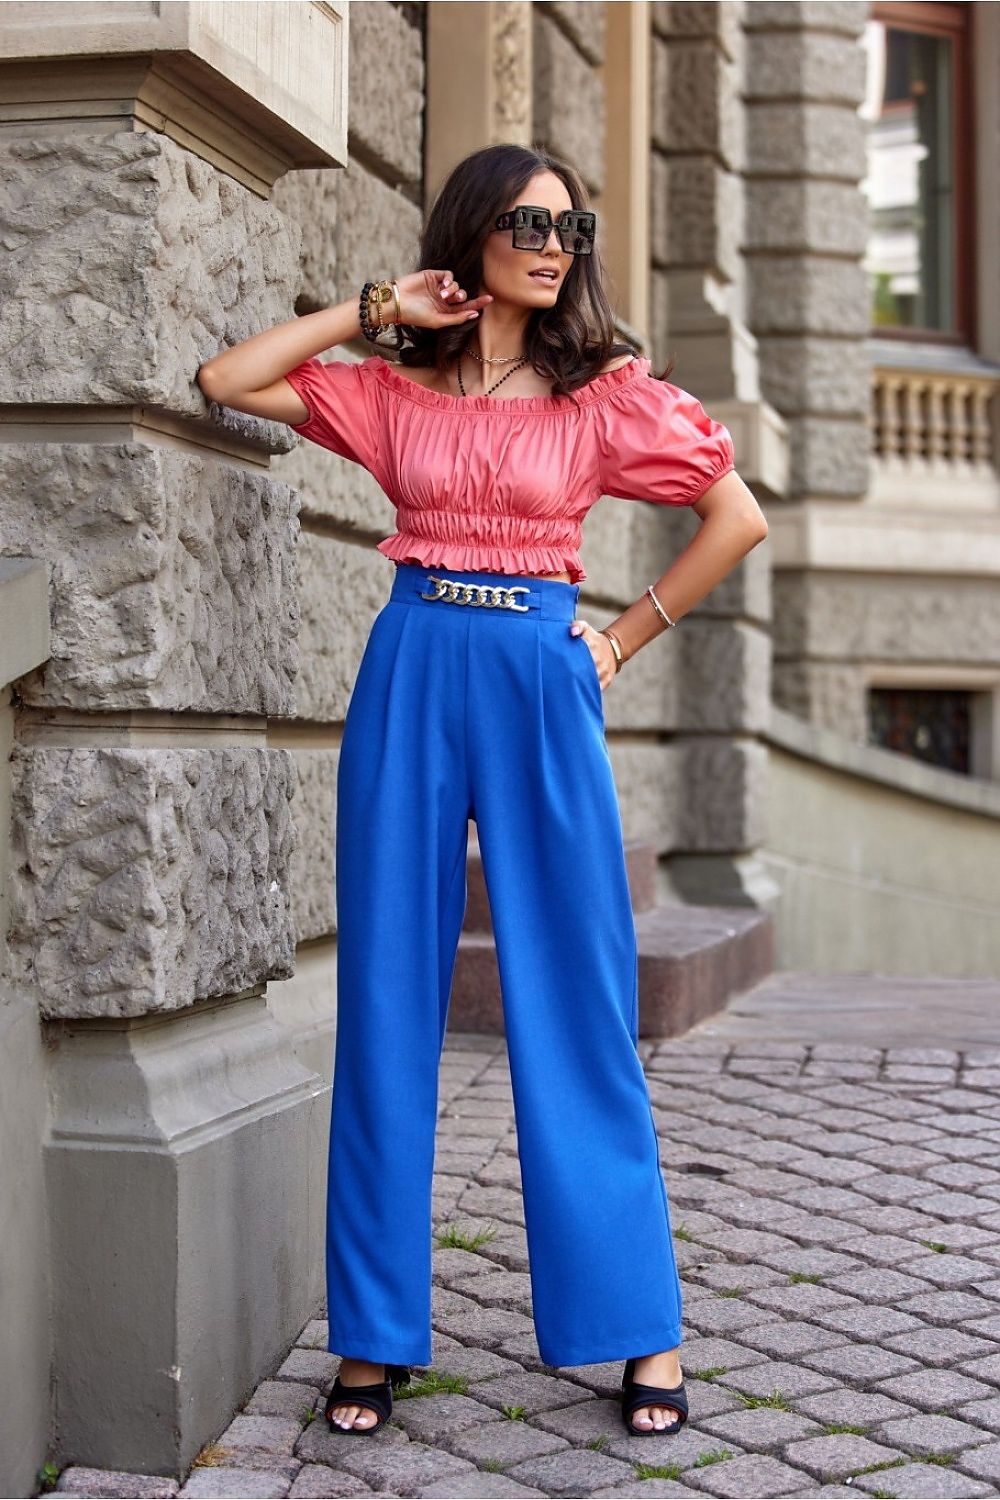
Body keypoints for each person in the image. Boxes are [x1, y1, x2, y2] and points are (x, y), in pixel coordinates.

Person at [197, 143, 768, 1441]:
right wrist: (378, 309)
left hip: (539, 674)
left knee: (577, 994)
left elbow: (735, 516)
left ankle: (642, 1327)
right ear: (473, 232)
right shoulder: (396, 391)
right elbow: (228, 379)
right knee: (386, 999)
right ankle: (373, 1336)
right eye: (528, 222)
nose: (553, 246)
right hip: (411, 667)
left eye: (571, 228)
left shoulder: (601, 394)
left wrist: (618, 642)